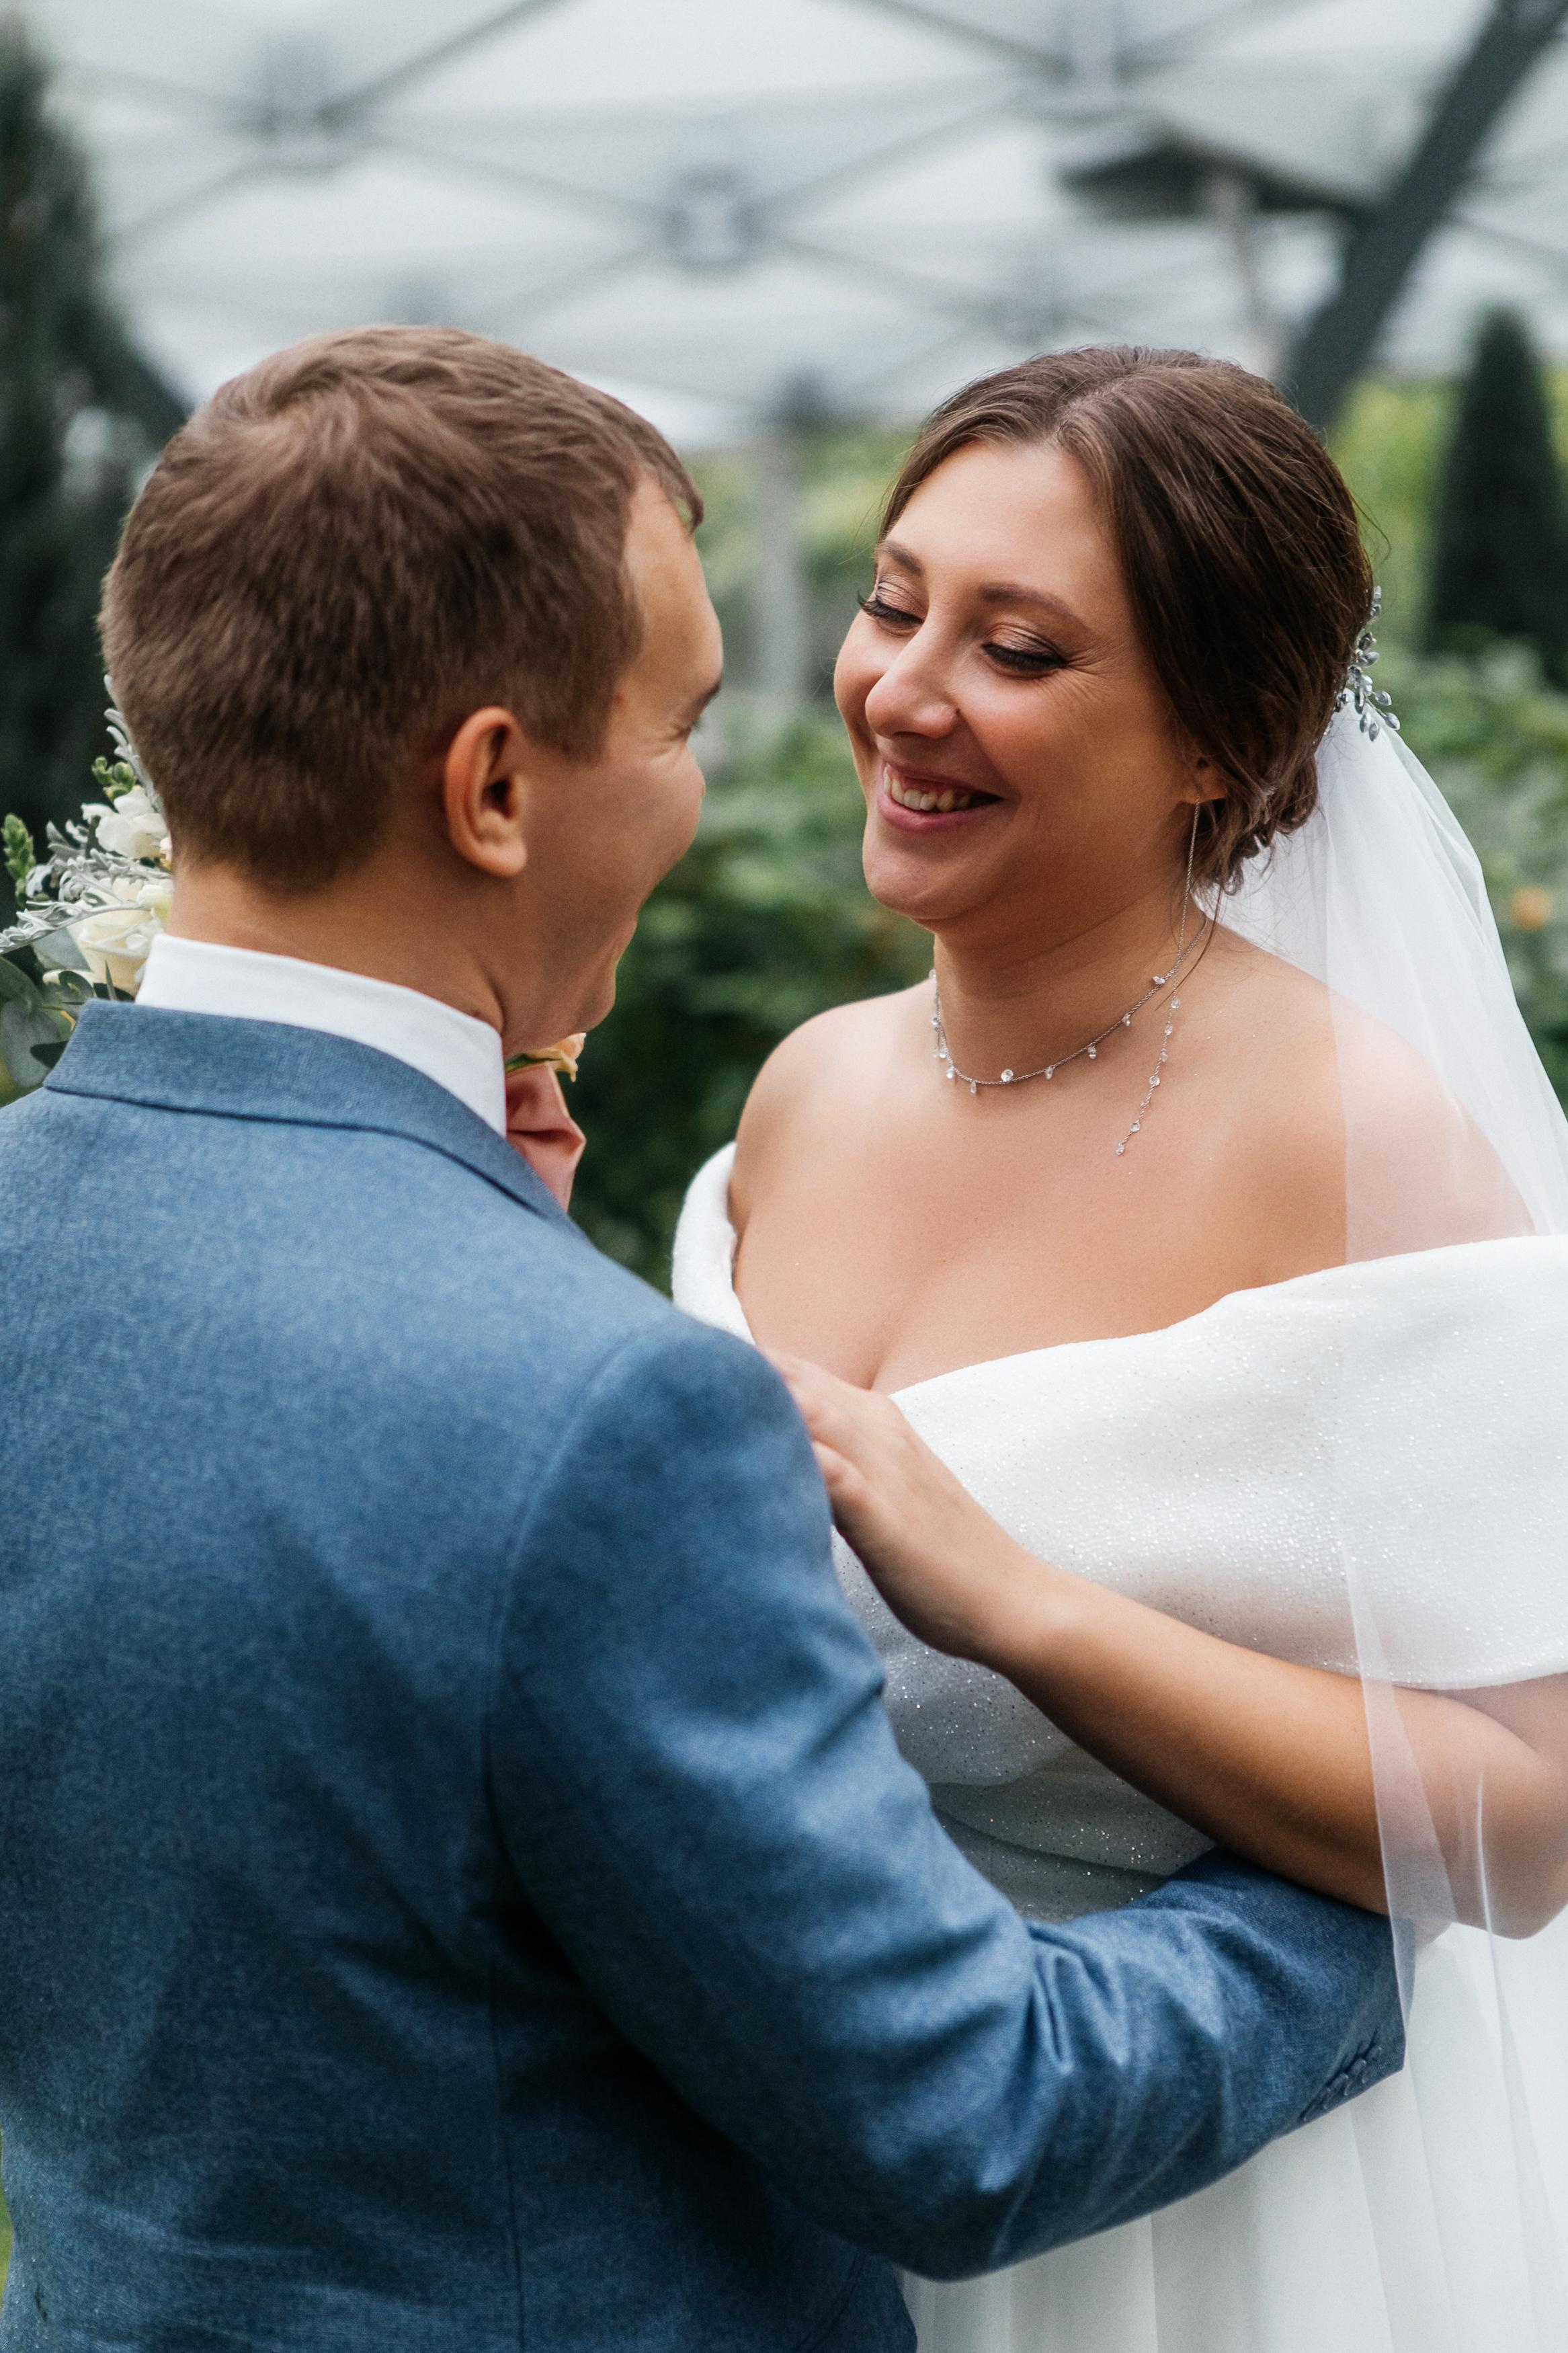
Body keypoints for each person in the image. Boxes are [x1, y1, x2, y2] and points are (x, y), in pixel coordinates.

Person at [0, 329, 1401, 2352]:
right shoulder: (601, 1414)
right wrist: (1371, 1894)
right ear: (496, 788)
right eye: (680, 724)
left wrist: (481, 1241)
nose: (721, 776)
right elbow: (969, 2117)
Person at [673, 346, 1568, 2352]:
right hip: (803, 2146)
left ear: (1217, 743)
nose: (903, 692)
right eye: (895, 603)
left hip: (1190, 2204)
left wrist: (1021, 1606)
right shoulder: (806, 1089)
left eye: (1020, 650)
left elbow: (1527, 1825)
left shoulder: (1350, 1134)